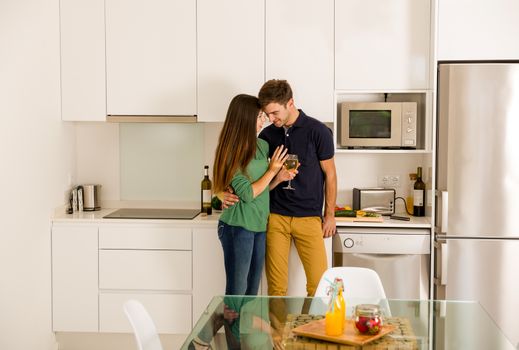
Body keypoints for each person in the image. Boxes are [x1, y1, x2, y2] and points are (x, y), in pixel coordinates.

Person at [224, 80, 337, 297]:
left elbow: (330, 174)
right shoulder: (267, 136)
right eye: (267, 114)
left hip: (309, 217)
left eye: (275, 113)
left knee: (320, 287)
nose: (271, 119)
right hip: (275, 217)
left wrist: (329, 214)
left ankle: (310, 330)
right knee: (276, 289)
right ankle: (278, 332)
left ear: (290, 103)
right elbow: (244, 168)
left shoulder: (318, 131)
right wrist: (223, 192)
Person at [213, 93, 292, 296]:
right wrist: (272, 170)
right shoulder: (231, 151)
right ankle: (233, 328)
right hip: (237, 226)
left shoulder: (262, 145)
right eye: (259, 117)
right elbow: (248, 194)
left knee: (252, 290)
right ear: (245, 119)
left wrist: (278, 178)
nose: (264, 120)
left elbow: (261, 189)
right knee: (237, 290)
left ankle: (244, 328)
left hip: (259, 224)